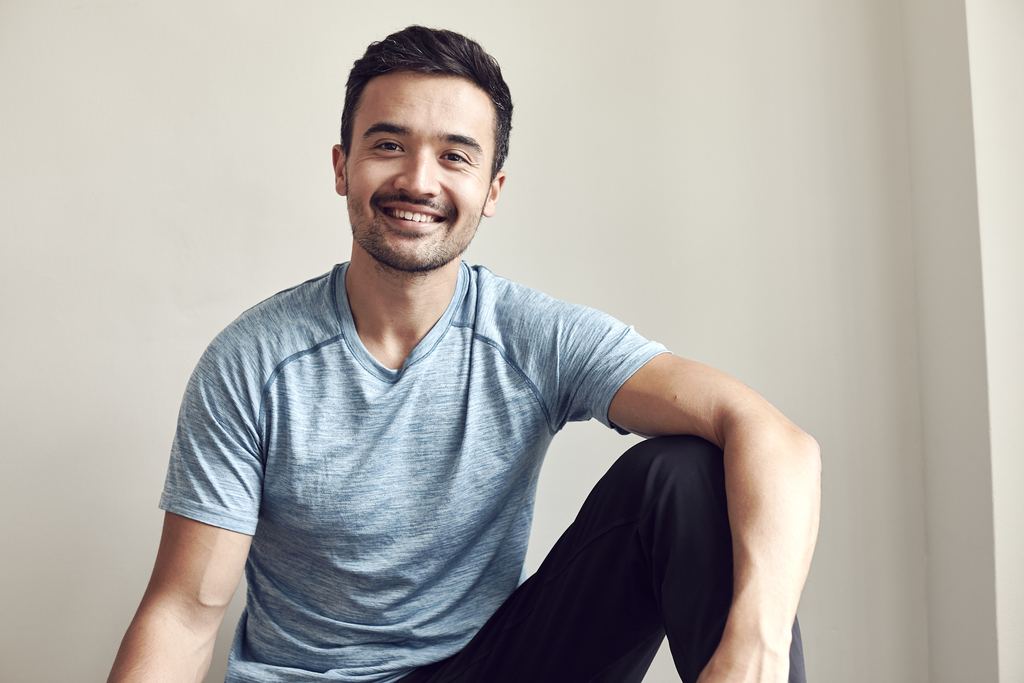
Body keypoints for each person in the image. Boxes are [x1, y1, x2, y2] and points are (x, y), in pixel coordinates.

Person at [108, 25, 821, 683]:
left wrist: (755, 642)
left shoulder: (530, 336)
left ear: (491, 191)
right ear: (342, 166)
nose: (419, 181)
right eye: (389, 145)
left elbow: (777, 440)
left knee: (685, 471)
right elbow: (184, 612)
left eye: (454, 156)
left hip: (485, 669)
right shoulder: (253, 362)